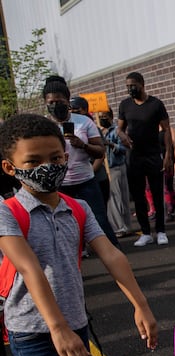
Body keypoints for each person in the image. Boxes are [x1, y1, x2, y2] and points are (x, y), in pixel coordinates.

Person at [0, 113, 158, 356]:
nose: (47, 168)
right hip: (34, 332)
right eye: (33, 161)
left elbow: (111, 255)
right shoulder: (8, 212)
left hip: (75, 325)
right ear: (10, 167)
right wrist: (56, 328)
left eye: (55, 157)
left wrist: (140, 305)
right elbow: (28, 267)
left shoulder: (77, 208)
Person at [42, 77, 118, 247]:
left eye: (59, 101)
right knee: (64, 227)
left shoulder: (84, 122)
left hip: (86, 182)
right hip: (59, 185)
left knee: (100, 222)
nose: (55, 105)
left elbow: (100, 151)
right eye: (51, 102)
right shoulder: (44, 126)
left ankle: (116, 257)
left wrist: (82, 145)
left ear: (67, 101)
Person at [117, 71, 173, 246]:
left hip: (153, 155)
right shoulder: (125, 105)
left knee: (157, 193)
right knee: (139, 196)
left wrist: (168, 155)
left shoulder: (156, 104)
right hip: (134, 156)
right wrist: (122, 136)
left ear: (142, 84)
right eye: (127, 86)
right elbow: (119, 128)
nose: (130, 89)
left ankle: (161, 231)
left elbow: (166, 130)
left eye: (133, 85)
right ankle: (146, 233)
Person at [99, 108, 131, 238]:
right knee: (111, 199)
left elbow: (124, 148)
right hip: (106, 168)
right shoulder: (100, 132)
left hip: (117, 167)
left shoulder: (117, 131)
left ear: (111, 116)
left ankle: (122, 227)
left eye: (105, 116)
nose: (102, 118)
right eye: (100, 116)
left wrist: (111, 145)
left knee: (119, 198)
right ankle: (118, 225)